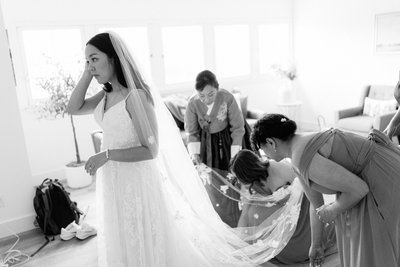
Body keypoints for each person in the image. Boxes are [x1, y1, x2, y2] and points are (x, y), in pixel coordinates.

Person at [250, 113, 400, 267]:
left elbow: (359, 189)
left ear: (271, 142)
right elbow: (316, 205)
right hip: (375, 175)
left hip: (382, 179)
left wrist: (333, 209)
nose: (264, 155)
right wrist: (316, 245)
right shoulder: (297, 153)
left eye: (262, 149)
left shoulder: (302, 156)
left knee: (378, 248)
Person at [230, 149, 336, 266]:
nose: (238, 181)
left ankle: (299, 246)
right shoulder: (252, 186)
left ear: (246, 173)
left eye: (238, 178)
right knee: (252, 212)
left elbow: (309, 192)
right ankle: (274, 245)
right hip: (285, 227)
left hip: (303, 220)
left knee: (256, 213)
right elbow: (245, 214)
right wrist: (240, 244)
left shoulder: (279, 168)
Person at [184, 70, 250, 227]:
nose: (206, 99)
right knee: (210, 179)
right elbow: (191, 132)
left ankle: (237, 215)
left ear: (217, 88)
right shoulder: (192, 103)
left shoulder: (227, 98)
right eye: (202, 96)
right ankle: (217, 219)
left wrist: (236, 155)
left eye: (211, 94)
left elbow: (238, 128)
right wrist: (195, 154)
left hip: (228, 141)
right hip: (207, 144)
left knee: (233, 177)